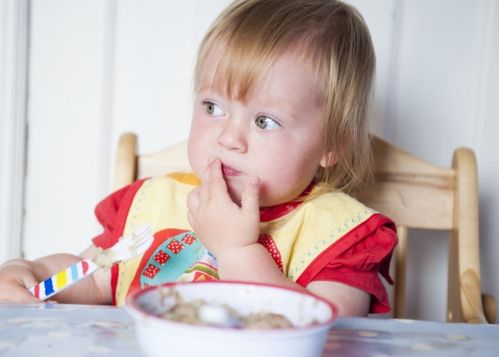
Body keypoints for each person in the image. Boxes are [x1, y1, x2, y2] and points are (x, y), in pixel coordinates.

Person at [0, 0, 397, 316]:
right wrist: (32, 273)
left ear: (333, 144)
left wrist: (237, 252)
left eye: (264, 120)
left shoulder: (341, 236)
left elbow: (331, 333)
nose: (228, 137)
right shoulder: (152, 205)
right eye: (212, 107)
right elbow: (98, 276)